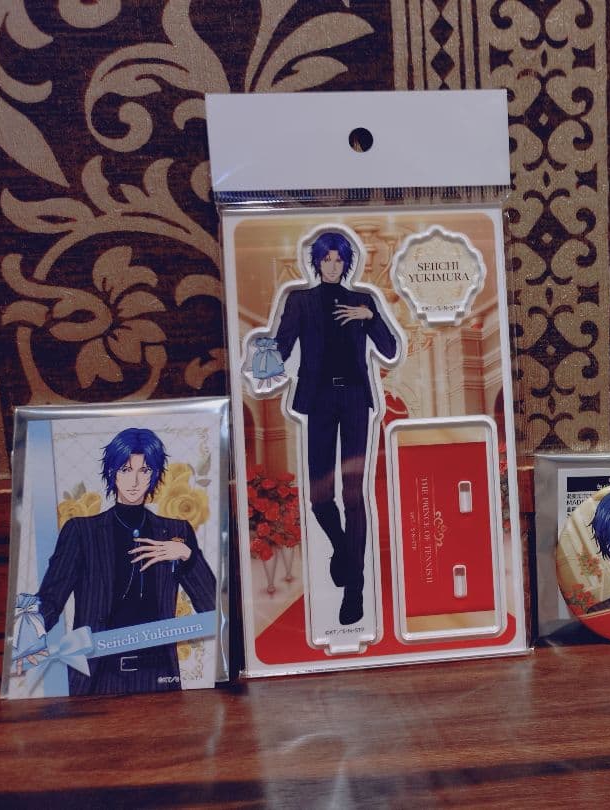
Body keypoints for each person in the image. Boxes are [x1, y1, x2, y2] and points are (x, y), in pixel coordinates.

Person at [254, 230, 400, 625]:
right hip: (317, 399)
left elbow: (389, 349)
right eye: (326, 259)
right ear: (316, 262)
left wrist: (371, 317)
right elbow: (282, 345)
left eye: (338, 259)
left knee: (354, 495)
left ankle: (355, 590)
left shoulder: (363, 299)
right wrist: (260, 362)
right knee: (320, 495)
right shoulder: (300, 301)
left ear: (347, 263)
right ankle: (343, 549)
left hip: (354, 399)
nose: (332, 265)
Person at [23, 428, 216, 695]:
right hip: (97, 674)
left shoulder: (176, 531)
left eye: (144, 470)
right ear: (112, 472)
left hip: (158, 675)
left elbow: (213, 607)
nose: (134, 481)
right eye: (126, 470)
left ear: (154, 474)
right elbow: (51, 599)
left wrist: (186, 555)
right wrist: (24, 644)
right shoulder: (82, 532)